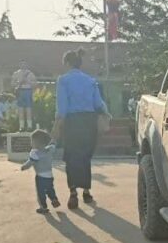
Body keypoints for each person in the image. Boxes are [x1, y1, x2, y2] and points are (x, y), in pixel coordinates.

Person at [54, 50, 108, 209]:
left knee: (71, 157)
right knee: (85, 157)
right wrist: (106, 115)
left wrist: (57, 125)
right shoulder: (91, 81)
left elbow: (62, 107)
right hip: (89, 121)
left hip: (72, 121)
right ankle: (86, 191)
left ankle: (73, 193)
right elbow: (98, 104)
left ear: (67, 63)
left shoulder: (63, 80)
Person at [19, 129, 60, 213]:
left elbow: (30, 163)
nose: (31, 143)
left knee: (40, 193)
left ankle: (43, 207)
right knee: (50, 189)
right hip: (49, 176)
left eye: (32, 141)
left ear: (36, 142)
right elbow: (53, 144)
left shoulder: (35, 153)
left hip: (40, 177)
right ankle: (54, 199)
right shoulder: (50, 149)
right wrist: (53, 140)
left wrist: (24, 167)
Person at [12, 60, 37, 131]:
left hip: (28, 91)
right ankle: (21, 127)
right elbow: (12, 83)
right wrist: (19, 82)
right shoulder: (16, 73)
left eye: (24, 64)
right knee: (21, 109)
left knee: (28, 109)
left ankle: (29, 126)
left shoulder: (30, 73)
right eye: (21, 64)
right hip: (20, 91)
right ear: (19, 65)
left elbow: (35, 83)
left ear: (27, 65)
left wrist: (28, 81)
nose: (23, 65)